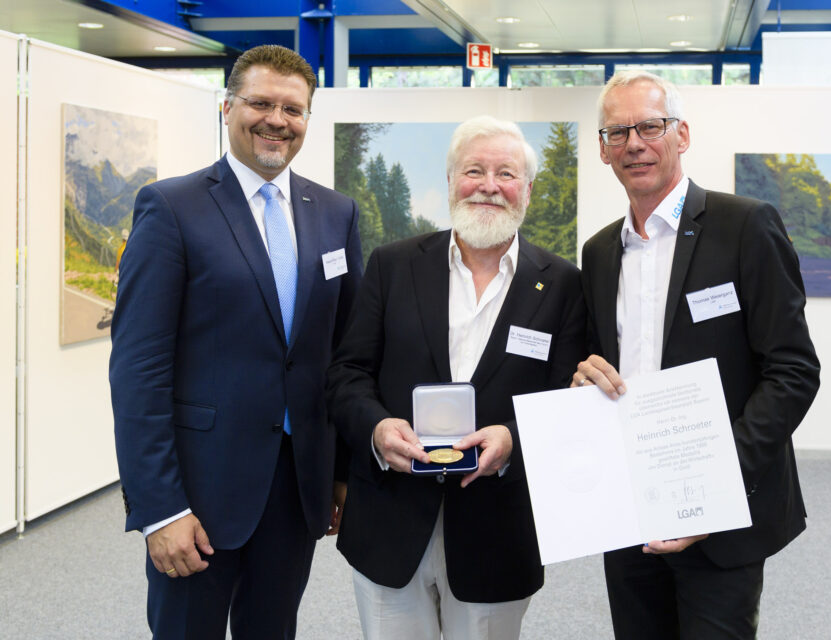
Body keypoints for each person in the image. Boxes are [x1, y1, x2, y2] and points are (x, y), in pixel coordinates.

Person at [109, 44, 363, 639]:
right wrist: (159, 509)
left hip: (297, 488)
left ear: (307, 119)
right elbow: (138, 370)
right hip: (197, 492)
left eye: (293, 109)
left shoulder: (335, 213)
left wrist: (341, 474)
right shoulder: (172, 207)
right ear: (227, 108)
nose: (277, 119)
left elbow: (344, 354)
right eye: (261, 103)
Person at [575, 70, 820, 639]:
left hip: (722, 514)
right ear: (604, 150)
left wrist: (711, 485)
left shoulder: (745, 226)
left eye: (650, 126)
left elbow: (793, 371)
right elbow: (598, 365)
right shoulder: (600, 252)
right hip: (631, 509)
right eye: (617, 132)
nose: (634, 142)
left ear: (681, 135)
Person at [326, 115, 586, 640]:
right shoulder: (393, 266)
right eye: (474, 170)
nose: (489, 185)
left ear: (528, 191)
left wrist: (512, 438)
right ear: (450, 181)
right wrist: (377, 430)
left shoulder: (562, 284)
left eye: (507, 174)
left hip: (498, 526)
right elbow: (347, 374)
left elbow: (568, 397)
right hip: (391, 517)